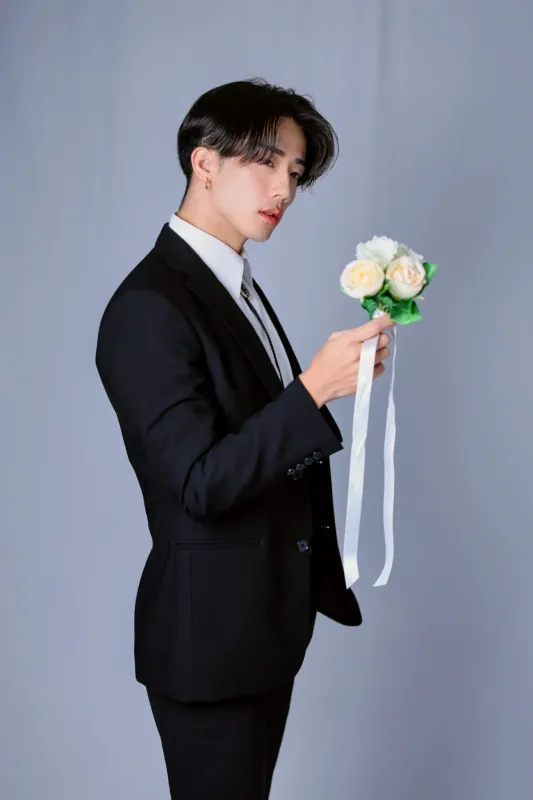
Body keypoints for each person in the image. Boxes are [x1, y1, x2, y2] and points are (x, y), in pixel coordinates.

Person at [95, 77, 394, 799]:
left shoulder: (234, 285)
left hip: (260, 628)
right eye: (264, 162)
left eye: (294, 170)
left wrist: (321, 386)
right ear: (204, 162)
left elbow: (256, 436)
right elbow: (198, 482)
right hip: (209, 643)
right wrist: (312, 391)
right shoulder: (149, 305)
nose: (283, 188)